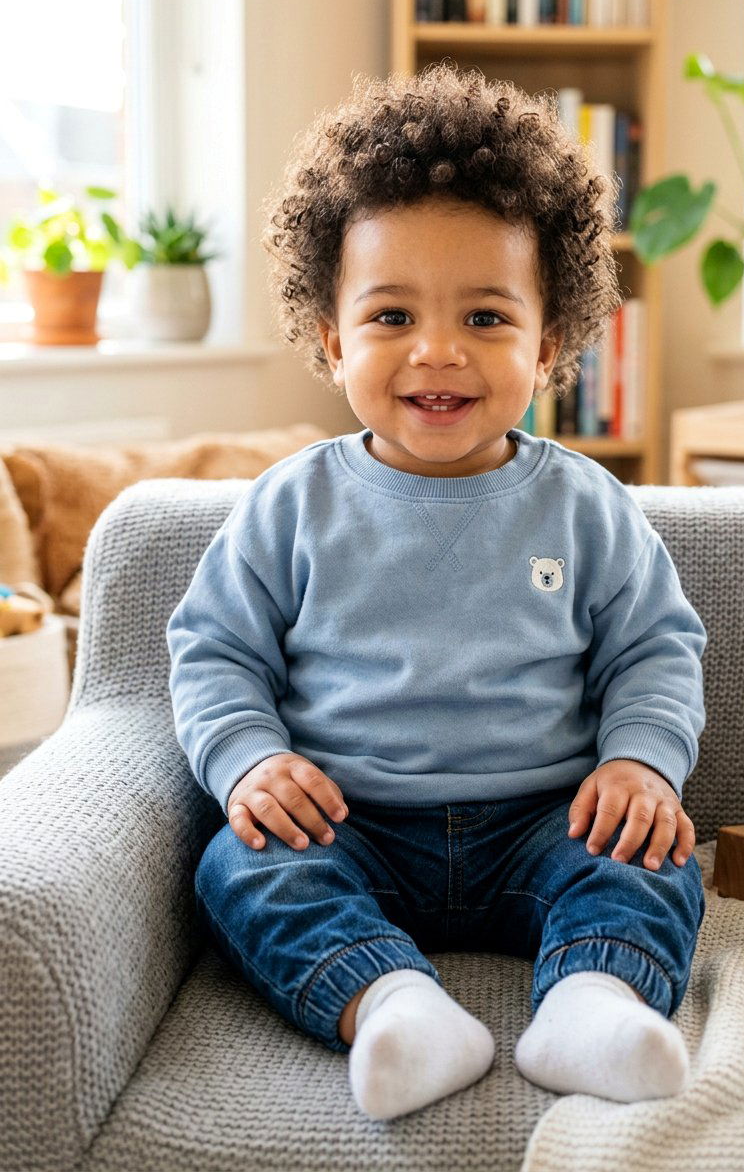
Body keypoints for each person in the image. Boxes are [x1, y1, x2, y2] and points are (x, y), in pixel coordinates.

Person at [167, 61, 707, 1122]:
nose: (437, 351)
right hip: (349, 822)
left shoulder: (587, 506)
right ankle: (393, 1004)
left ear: (549, 342)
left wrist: (641, 764)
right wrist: (252, 760)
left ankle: (588, 1002)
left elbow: (652, 648)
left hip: (544, 823)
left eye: (487, 318)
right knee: (240, 865)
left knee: (659, 857)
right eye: (389, 314)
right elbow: (215, 651)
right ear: (329, 335)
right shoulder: (288, 506)